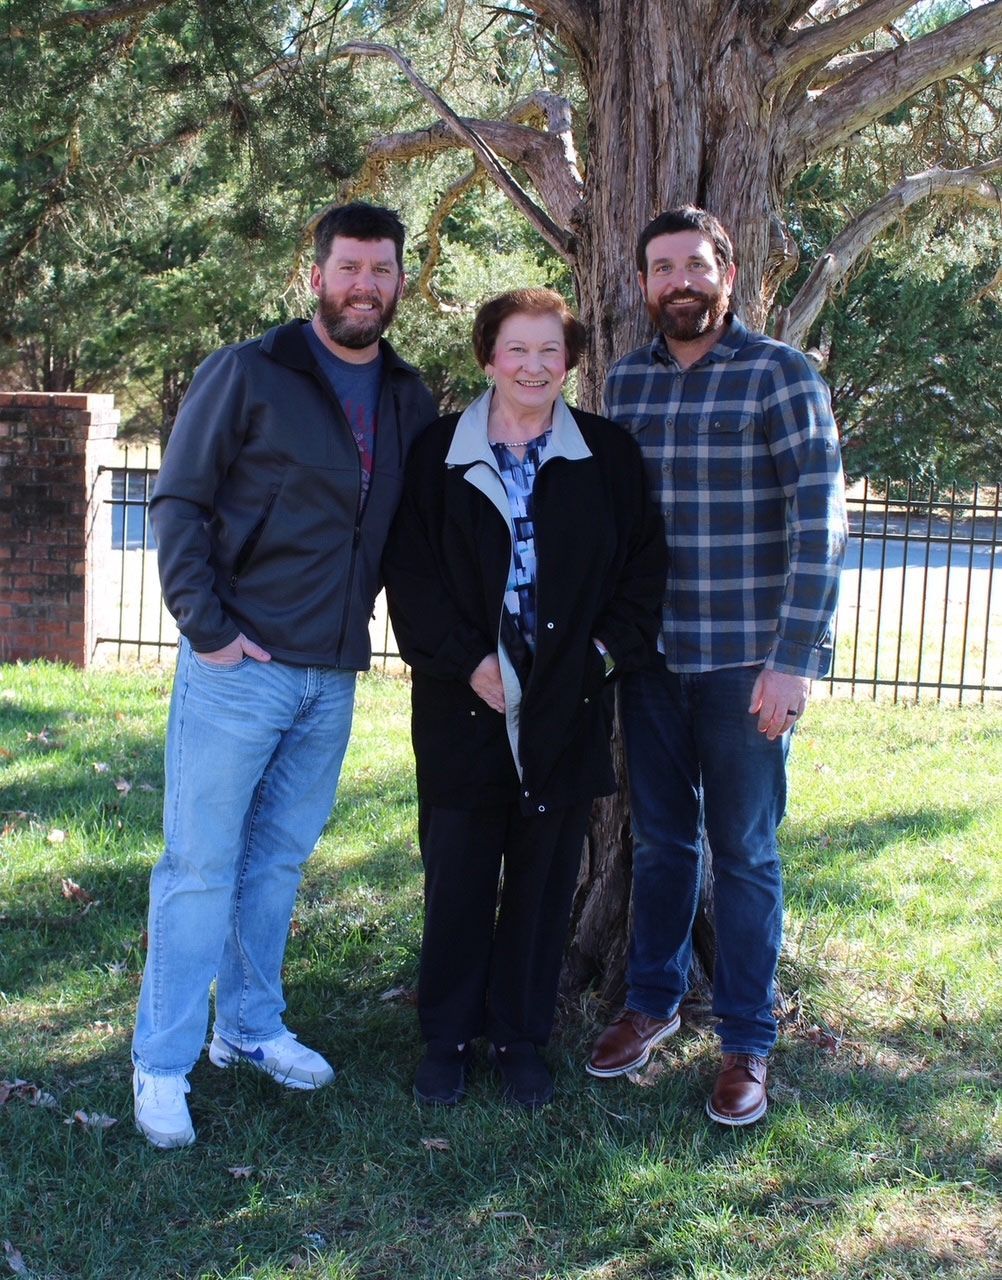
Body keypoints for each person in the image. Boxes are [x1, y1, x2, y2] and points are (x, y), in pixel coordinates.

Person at [131, 201, 437, 1149]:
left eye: (381, 270)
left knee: (274, 865)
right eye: (349, 268)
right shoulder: (248, 371)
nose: (365, 286)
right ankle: (161, 1064)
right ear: (317, 277)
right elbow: (178, 502)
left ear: (399, 282)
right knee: (199, 868)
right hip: (239, 667)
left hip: (332, 673)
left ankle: (249, 1028)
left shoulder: (409, 396)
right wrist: (210, 631)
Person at [587, 207, 847, 1125]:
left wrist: (795, 661)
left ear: (728, 276)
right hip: (652, 664)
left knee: (744, 854)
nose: (679, 283)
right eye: (662, 269)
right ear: (643, 284)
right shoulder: (626, 383)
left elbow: (820, 523)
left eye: (696, 265)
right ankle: (652, 1004)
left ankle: (746, 1040)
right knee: (661, 843)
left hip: (747, 669)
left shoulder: (780, 374)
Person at [383, 288, 665, 1109]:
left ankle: (520, 1039)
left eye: (550, 351)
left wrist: (597, 659)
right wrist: (468, 661)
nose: (533, 366)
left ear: (569, 362)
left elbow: (643, 573)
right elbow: (411, 576)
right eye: (517, 349)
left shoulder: (607, 455)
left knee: (542, 884)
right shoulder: (439, 452)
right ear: (487, 358)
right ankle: (447, 1038)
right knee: (459, 875)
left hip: (567, 705)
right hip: (462, 703)